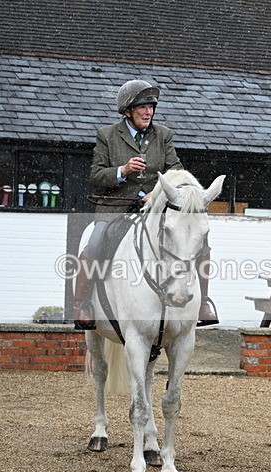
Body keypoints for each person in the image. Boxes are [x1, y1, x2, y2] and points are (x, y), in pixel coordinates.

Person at [72, 79, 219, 329]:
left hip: (154, 209)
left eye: (151, 107)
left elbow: (176, 171)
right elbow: (95, 176)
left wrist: (156, 193)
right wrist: (123, 170)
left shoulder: (163, 135)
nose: (148, 112)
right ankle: (82, 304)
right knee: (95, 241)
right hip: (115, 208)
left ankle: (204, 302)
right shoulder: (107, 135)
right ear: (128, 111)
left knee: (200, 242)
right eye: (142, 107)